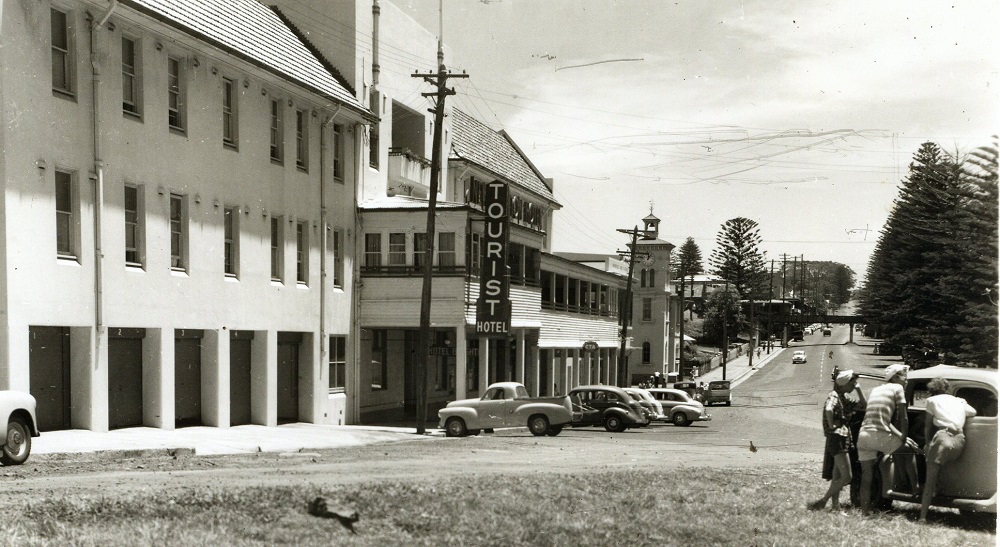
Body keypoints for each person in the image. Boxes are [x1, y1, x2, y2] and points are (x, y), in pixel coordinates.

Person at [856, 364, 918, 515]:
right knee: (908, 450)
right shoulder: (898, 389)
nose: (906, 380)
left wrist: (901, 437)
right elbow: (903, 416)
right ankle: (916, 489)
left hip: (864, 435)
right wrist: (903, 437)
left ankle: (864, 512)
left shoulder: (876, 390)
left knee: (867, 477)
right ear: (896, 377)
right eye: (904, 376)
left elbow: (884, 420)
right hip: (880, 435)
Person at [919, 377, 977, 522]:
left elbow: (927, 426)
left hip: (944, 437)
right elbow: (973, 412)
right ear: (947, 388)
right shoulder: (959, 401)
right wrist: (962, 403)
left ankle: (922, 517)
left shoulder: (932, 401)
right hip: (959, 440)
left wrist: (926, 444)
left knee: (929, 479)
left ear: (932, 390)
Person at [809, 369, 866, 511]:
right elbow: (829, 409)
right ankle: (823, 501)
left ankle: (835, 506)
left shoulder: (843, 398)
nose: (854, 386)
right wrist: (832, 425)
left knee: (837, 476)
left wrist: (858, 390)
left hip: (841, 438)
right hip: (838, 438)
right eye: (853, 383)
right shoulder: (835, 395)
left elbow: (863, 405)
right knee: (847, 477)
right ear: (844, 384)